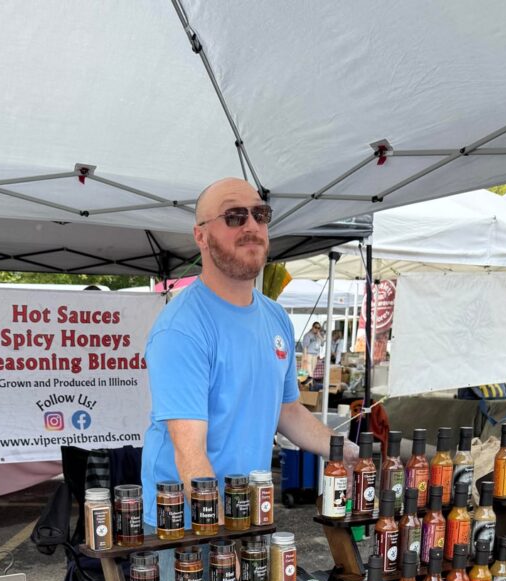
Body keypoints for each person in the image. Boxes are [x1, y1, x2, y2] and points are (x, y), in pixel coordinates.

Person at [141, 176, 358, 531]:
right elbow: (188, 451)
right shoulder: (182, 328)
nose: (252, 226)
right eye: (234, 217)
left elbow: (286, 410)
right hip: (182, 526)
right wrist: (226, 537)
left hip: (248, 513)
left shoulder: (275, 318)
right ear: (201, 236)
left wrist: (341, 448)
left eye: (260, 214)